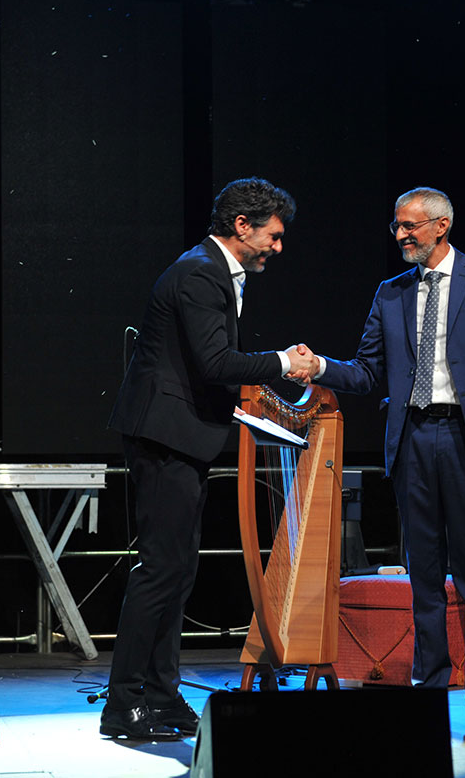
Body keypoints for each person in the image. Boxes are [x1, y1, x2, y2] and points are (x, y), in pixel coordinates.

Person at [299, 187, 465, 738]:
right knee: (424, 577)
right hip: (412, 440)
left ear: (442, 225)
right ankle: (429, 695)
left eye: (410, 226)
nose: (401, 235)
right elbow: (367, 371)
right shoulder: (391, 293)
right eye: (397, 226)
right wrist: (321, 368)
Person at [101, 177, 318, 740]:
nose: (278, 247)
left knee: (178, 571)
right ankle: (123, 704)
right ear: (242, 226)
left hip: (181, 436)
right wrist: (282, 362)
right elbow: (215, 362)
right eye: (273, 235)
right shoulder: (200, 272)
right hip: (164, 436)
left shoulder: (214, 271)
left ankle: (161, 696)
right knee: (161, 570)